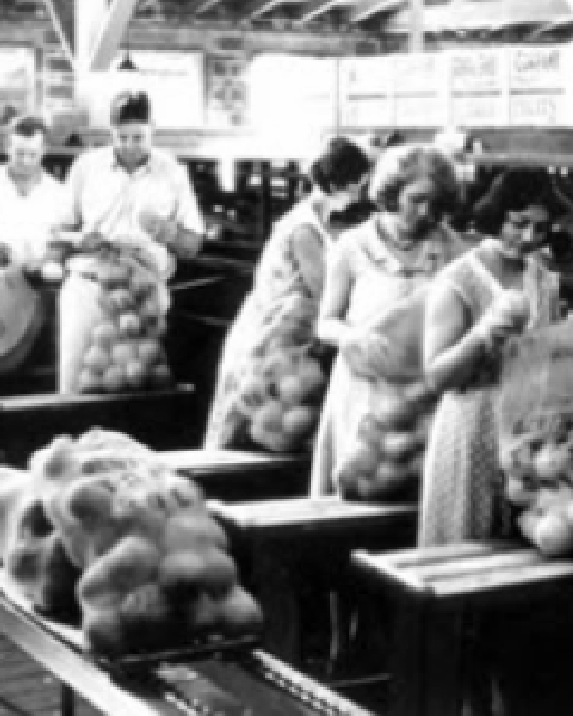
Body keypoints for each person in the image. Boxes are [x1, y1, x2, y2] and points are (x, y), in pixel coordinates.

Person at [311, 144, 465, 496]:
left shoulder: (454, 251)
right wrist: (354, 337)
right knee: (355, 486)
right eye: (417, 199)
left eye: (437, 204)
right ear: (392, 193)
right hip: (362, 390)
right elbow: (326, 323)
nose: (427, 212)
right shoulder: (352, 248)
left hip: (422, 396)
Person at [419, 168, 561, 547]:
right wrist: (483, 334)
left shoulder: (544, 281)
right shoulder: (459, 280)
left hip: (527, 437)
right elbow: (436, 377)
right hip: (472, 429)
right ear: (497, 215)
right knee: (465, 548)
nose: (529, 238)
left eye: (541, 229)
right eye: (519, 224)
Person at [204, 137, 371, 449]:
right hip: (273, 341)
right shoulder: (304, 230)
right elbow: (324, 295)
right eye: (357, 185)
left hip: (286, 336)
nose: (360, 194)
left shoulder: (318, 223)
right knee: (262, 423)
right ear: (338, 185)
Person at [57, 90, 204, 272]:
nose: (129, 146)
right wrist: (79, 240)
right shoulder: (85, 167)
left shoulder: (173, 171)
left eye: (138, 138)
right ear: (111, 131)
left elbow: (193, 245)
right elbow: (60, 232)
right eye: (122, 138)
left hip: (149, 278)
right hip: (92, 274)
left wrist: (167, 231)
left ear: (153, 128)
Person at [0, 115, 66, 266]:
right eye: (19, 153)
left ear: (44, 150)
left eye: (32, 154)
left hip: (42, 279)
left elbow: (61, 243)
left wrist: (48, 259)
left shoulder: (58, 192)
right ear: (7, 147)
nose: (25, 161)